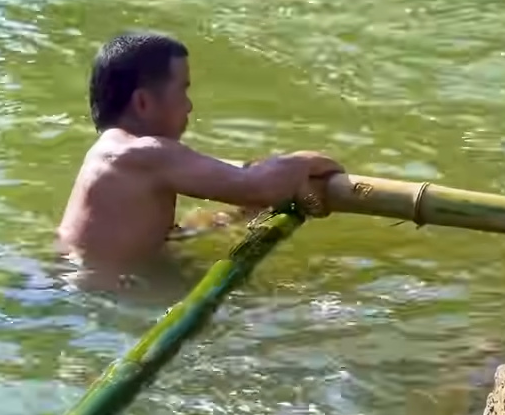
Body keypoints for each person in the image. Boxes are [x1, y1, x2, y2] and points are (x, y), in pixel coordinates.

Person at [57, 32, 344, 281]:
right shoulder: (146, 153)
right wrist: (307, 161)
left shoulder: (117, 152)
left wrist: (245, 197)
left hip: (77, 278)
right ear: (143, 102)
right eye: (183, 91)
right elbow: (258, 186)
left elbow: (231, 175)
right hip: (105, 292)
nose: (189, 106)